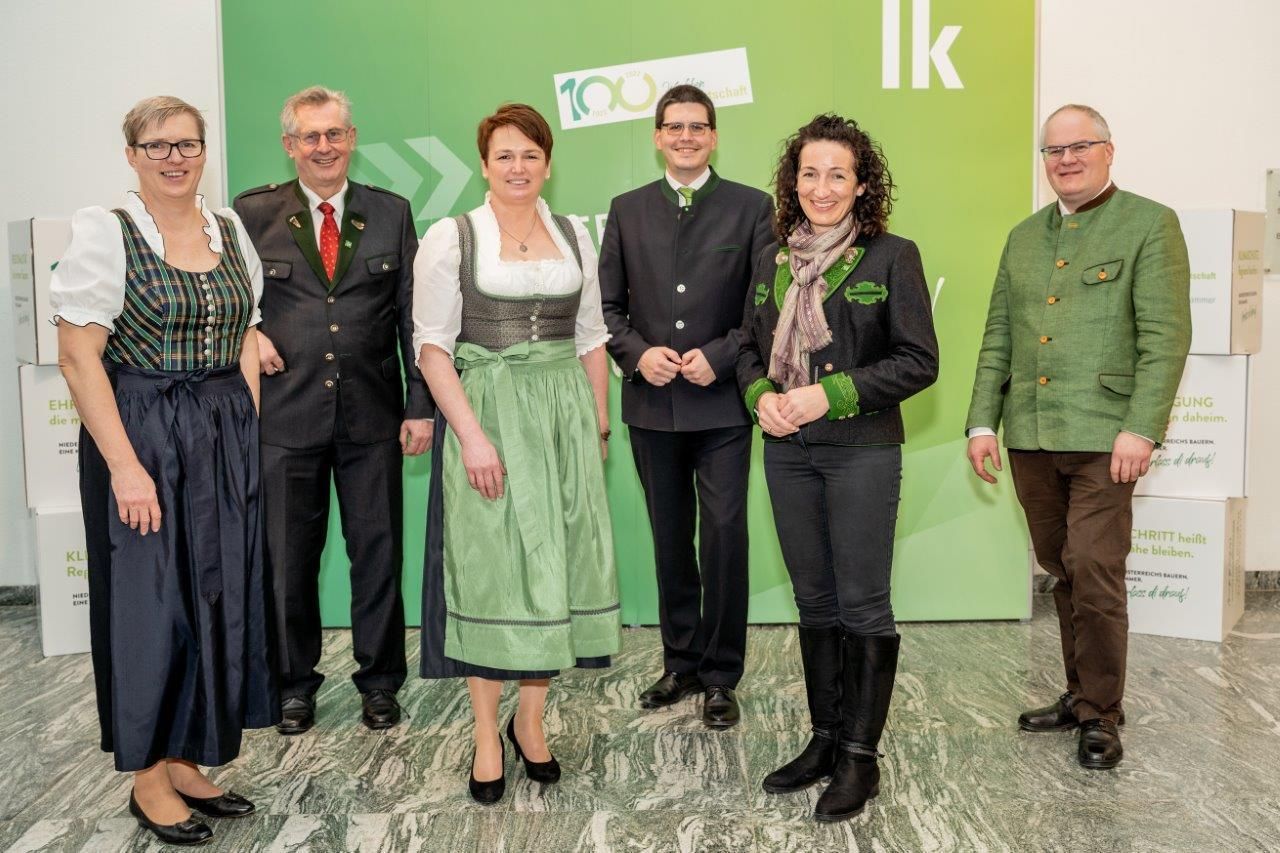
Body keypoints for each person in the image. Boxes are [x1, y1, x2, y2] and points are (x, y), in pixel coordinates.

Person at [52, 95, 276, 846]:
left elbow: (246, 332)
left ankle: (186, 756)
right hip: (141, 427)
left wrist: (245, 424)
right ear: (132, 155)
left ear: (204, 149)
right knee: (148, 605)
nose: (175, 157)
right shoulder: (105, 233)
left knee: (212, 595)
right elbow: (80, 357)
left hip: (220, 428)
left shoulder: (231, 229)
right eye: (158, 146)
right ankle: (147, 774)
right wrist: (123, 465)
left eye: (187, 143)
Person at [965, 104, 1191, 770]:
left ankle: (1101, 712)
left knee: (1094, 567)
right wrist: (984, 420)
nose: (1065, 159)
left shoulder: (1150, 224)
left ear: (1108, 150)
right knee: (1062, 566)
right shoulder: (1023, 237)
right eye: (1053, 150)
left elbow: (1166, 337)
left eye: (1079, 146)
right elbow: (999, 336)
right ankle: (1076, 692)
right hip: (1031, 434)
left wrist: (1142, 427)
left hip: (1106, 437)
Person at [413, 103, 621, 804]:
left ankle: (531, 720)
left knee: (554, 564)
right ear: (483, 164)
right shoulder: (453, 236)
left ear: (548, 162)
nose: (518, 167)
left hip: (564, 414)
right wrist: (472, 435)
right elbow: (433, 348)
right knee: (494, 571)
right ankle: (482, 732)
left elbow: (592, 337)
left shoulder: (572, 236)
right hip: (492, 412)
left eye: (530, 154)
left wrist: (597, 425)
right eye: (504, 155)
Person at [738, 114, 938, 822]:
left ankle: (860, 757)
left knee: (862, 604)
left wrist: (831, 392)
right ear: (793, 182)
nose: (822, 187)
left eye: (838, 175)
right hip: (787, 451)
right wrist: (762, 395)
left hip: (861, 450)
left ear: (861, 185)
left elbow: (919, 361)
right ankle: (823, 739)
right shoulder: (772, 257)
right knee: (813, 601)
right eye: (810, 173)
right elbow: (744, 346)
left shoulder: (892, 256)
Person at [233, 86, 432, 736]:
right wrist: (249, 333)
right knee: (288, 560)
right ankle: (293, 684)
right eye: (310, 137)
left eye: (335, 134)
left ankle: (379, 683)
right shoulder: (252, 214)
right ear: (290, 144)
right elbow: (229, 298)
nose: (324, 147)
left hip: (372, 417)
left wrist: (419, 406)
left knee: (377, 555)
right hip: (284, 421)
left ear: (352, 138)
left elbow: (410, 316)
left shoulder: (390, 212)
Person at [598, 84, 773, 728]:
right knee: (671, 538)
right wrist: (637, 352)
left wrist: (723, 355)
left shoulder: (754, 208)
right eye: (674, 127)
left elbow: (763, 305)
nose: (686, 137)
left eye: (698, 127)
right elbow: (607, 308)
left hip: (722, 405)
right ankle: (681, 663)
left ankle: (722, 674)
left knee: (725, 536)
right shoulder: (627, 209)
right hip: (651, 405)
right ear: (657, 136)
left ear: (715, 135)